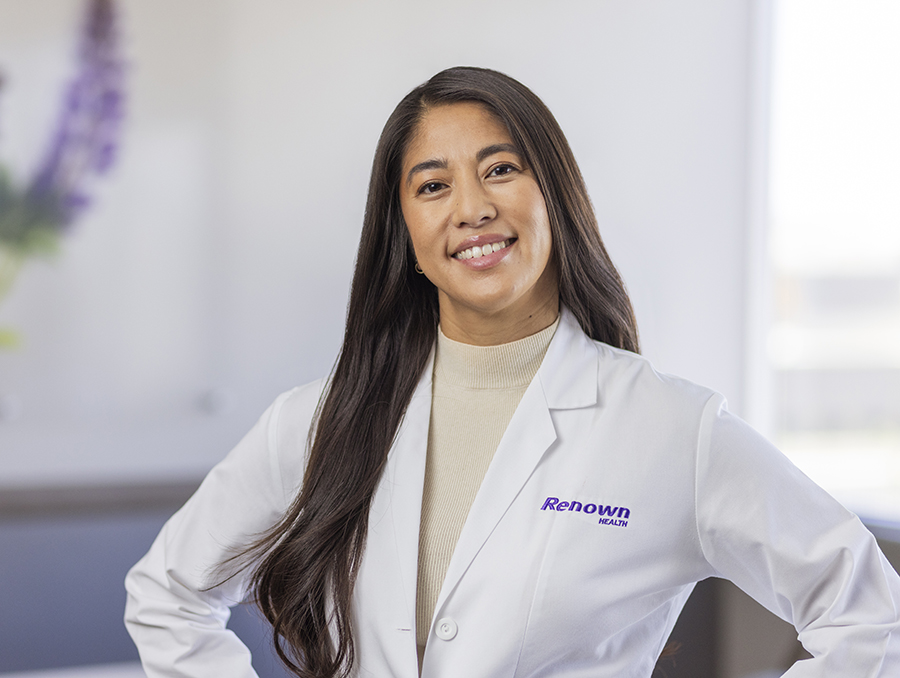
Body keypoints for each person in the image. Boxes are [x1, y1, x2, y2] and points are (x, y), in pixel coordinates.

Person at [125, 66, 900, 678]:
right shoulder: (318, 421)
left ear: (554, 195)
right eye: (432, 185)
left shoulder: (672, 429)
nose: (471, 208)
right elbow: (168, 594)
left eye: (500, 169)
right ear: (407, 233)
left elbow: (874, 618)